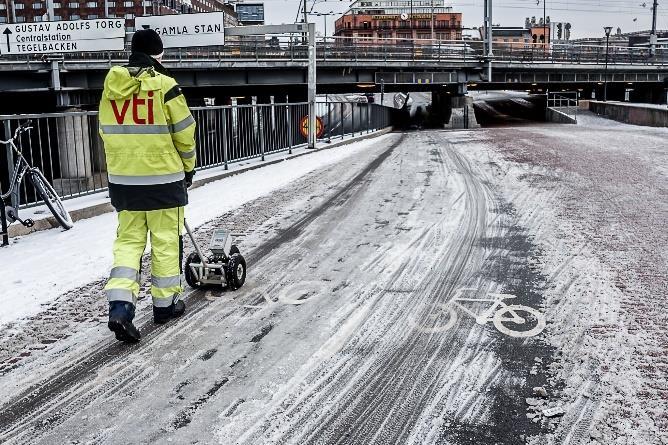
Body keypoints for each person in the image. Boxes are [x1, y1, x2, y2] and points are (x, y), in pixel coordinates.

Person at [99, 29, 197, 343]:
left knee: (128, 244)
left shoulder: (110, 87)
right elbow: (184, 133)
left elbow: (105, 130)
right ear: (159, 54)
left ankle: (120, 308)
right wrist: (188, 169)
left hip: (124, 182)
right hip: (164, 180)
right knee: (166, 241)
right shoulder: (166, 86)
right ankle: (165, 305)